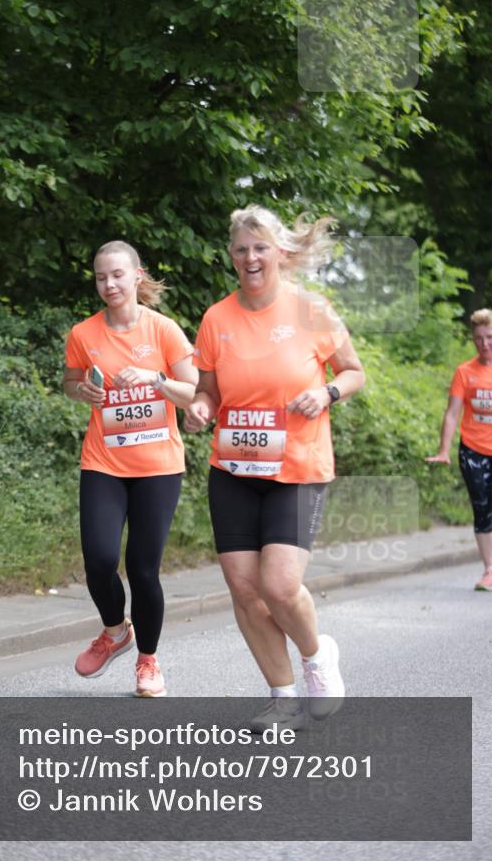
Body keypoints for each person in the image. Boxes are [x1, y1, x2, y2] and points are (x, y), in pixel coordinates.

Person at [184, 205, 365, 731]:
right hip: (234, 470)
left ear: (280, 253)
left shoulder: (311, 309)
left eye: (260, 247)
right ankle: (283, 699)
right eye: (241, 249)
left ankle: (317, 655)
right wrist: (200, 408)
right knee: (245, 589)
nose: (251, 257)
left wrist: (326, 393)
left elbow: (353, 372)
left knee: (280, 586)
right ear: (231, 256)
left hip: (299, 468)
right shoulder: (217, 319)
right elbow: (208, 391)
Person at [63, 240, 197, 696]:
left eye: (117, 275)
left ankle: (148, 661)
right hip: (103, 461)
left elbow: (193, 392)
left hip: (158, 466)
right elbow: (70, 381)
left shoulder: (163, 330)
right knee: (100, 559)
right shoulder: (84, 333)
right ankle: (116, 631)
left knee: (142, 569)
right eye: (101, 277)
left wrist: (156, 380)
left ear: (137, 275)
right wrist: (81, 391)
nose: (109, 284)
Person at [426, 308, 492, 591]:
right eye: (479, 338)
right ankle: (489, 570)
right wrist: (444, 449)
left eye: (489, 337)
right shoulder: (465, 372)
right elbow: (452, 413)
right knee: (482, 509)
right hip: (473, 451)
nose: (484, 343)